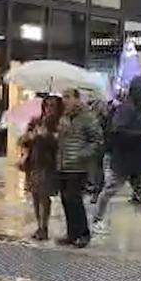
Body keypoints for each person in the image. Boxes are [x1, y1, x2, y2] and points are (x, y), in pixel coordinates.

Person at [90, 77, 141, 238]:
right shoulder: (126, 109)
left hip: (137, 160)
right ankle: (97, 220)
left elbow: (138, 128)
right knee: (111, 190)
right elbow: (118, 131)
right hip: (125, 160)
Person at [56, 89, 103, 248]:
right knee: (65, 199)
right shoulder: (65, 117)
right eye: (64, 97)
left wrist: (82, 154)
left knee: (74, 199)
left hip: (78, 166)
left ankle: (83, 233)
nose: (65, 100)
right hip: (63, 164)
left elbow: (97, 140)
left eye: (68, 97)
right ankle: (72, 233)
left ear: (77, 99)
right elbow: (62, 140)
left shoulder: (87, 117)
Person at [18, 95, 62, 241]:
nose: (49, 109)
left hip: (48, 164)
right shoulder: (36, 121)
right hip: (34, 163)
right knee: (35, 195)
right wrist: (29, 137)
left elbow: (59, 145)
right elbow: (22, 141)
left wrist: (47, 136)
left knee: (44, 195)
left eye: (52, 106)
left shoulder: (59, 123)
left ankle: (44, 226)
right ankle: (39, 225)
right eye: (47, 105)